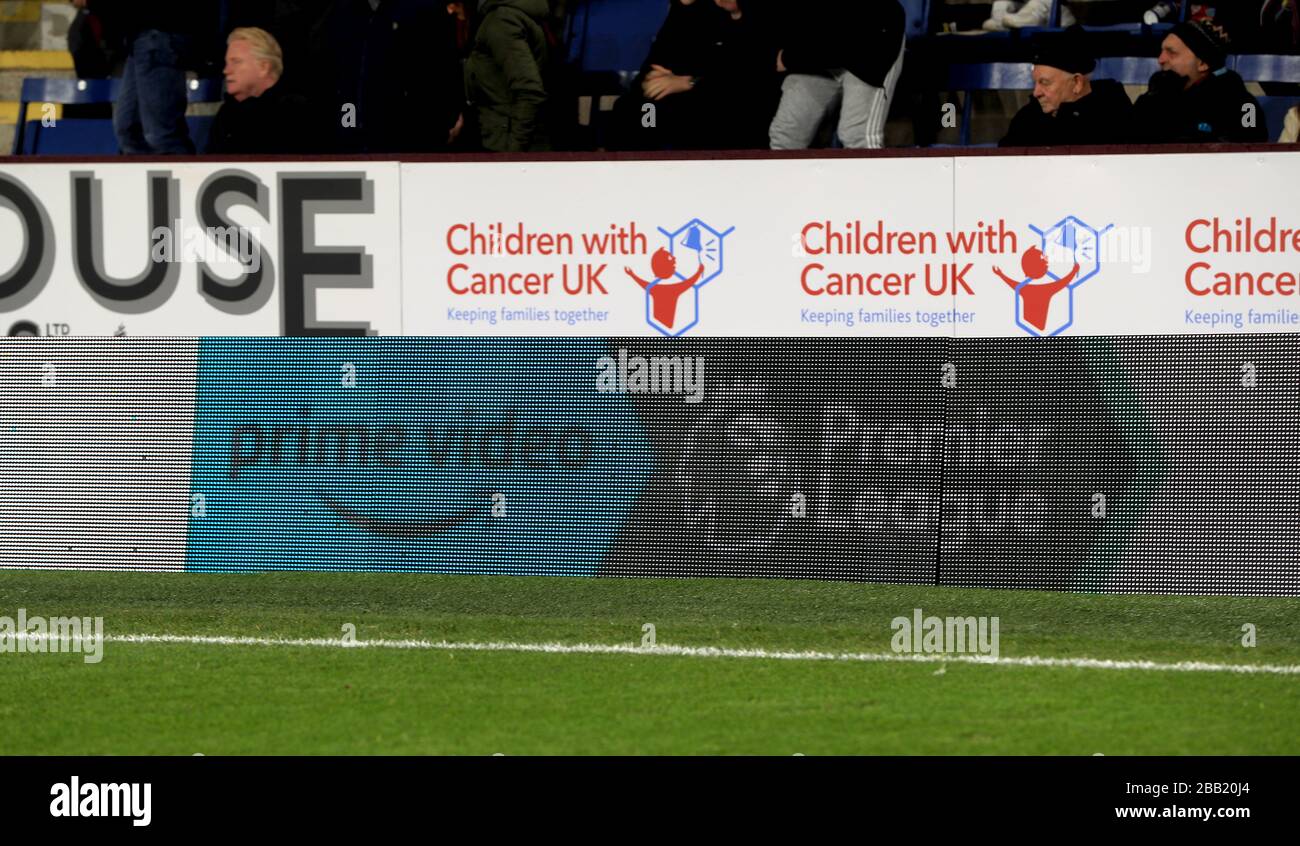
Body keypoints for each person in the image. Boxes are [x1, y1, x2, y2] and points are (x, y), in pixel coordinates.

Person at [611, 0, 779, 151]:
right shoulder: (679, 14)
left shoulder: (728, 12)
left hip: (722, 106)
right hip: (673, 101)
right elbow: (653, 65)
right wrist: (648, 84)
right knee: (634, 109)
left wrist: (691, 82)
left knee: (670, 116)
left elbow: (744, 73)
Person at [311, 0, 465, 154]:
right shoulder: (344, 11)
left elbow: (444, 68)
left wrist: (444, 122)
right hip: (355, 133)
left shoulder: (423, 9)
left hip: (409, 137)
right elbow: (342, 80)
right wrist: (346, 126)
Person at [75, 0, 221, 155]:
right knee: (129, 130)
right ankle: (140, 178)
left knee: (159, 135)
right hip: (142, 36)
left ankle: (184, 176)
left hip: (160, 32)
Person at [769, 0, 906, 150]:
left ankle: (869, 173)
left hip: (869, 40)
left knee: (857, 137)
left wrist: (791, 57)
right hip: (815, 44)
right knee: (785, 136)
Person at [1132, 19, 1269, 143]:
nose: (1161, 60)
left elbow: (1251, 149)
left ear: (1203, 63)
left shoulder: (1244, 105)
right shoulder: (1153, 99)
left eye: (1172, 52)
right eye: (1161, 51)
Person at [1000, 28, 1133, 147]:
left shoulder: (1113, 117)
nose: (1036, 93)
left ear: (1077, 83)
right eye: (1035, 83)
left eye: (1045, 83)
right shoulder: (1027, 119)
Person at [465, 0, 551, 152]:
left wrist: (512, 154)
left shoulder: (502, 20)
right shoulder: (513, 15)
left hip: (506, 141)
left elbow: (530, 91)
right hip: (508, 135)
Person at [208, 28, 311, 155]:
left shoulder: (294, 112)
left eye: (236, 62)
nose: (226, 70)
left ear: (263, 67)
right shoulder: (226, 114)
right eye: (227, 63)